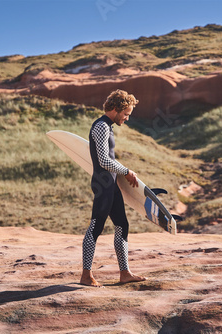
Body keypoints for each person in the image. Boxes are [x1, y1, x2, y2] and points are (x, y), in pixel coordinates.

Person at [80, 89, 147, 287]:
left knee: (122, 225)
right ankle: (86, 275)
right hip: (103, 183)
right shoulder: (101, 126)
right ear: (116, 109)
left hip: (111, 183)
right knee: (96, 226)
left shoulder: (107, 127)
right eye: (126, 114)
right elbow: (103, 160)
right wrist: (127, 171)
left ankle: (125, 273)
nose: (126, 118)